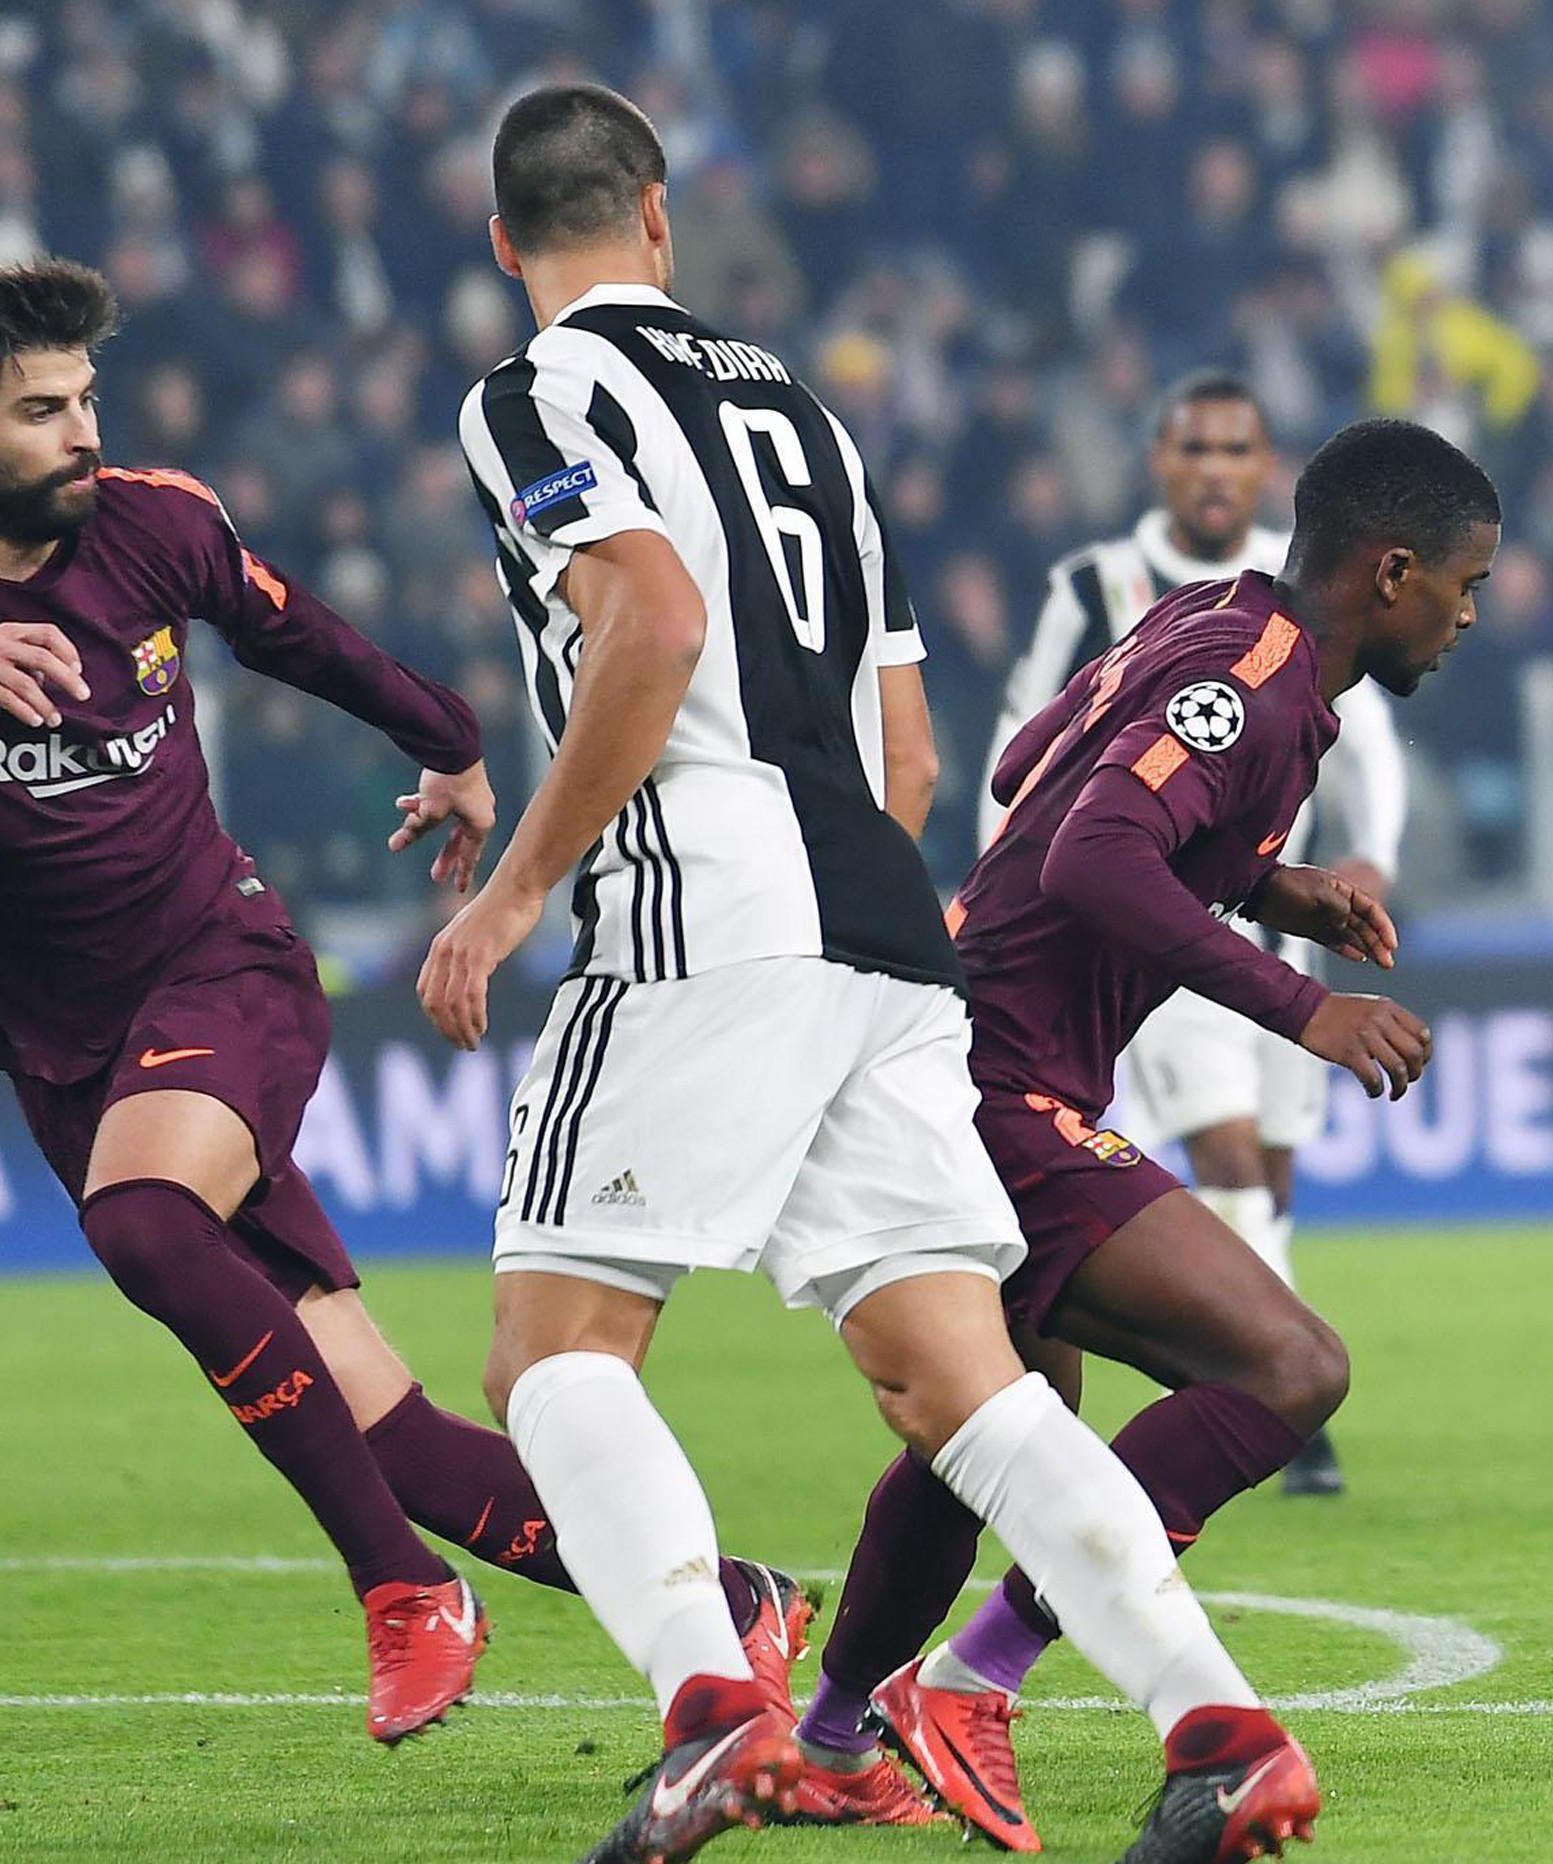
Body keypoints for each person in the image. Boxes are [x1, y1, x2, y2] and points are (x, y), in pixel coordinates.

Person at [426, 83, 1313, 1864]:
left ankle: (706, 1709)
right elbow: (907, 747)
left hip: (705, 887)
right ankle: (1218, 1728)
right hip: (886, 909)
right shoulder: (809, 415)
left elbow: (653, 627)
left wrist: (521, 884)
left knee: (554, 1348)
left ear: (508, 242)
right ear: (662, 218)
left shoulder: (532, 393)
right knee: (958, 1382)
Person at [0, 253, 604, 1745]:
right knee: (391, 1427)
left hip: (217, 964)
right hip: (59, 1047)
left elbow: (312, 640)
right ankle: (727, 1610)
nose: (84, 432)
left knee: (146, 1221)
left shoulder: (158, 525)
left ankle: (402, 1593)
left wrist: (454, 741)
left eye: (88, 398)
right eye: (43, 410)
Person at [794, 417, 1488, 1852]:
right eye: (1465, 585)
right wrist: (1306, 1007)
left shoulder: (1207, 615)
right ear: (1394, 570)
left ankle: (830, 1737)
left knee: (982, 1432)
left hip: (957, 1052)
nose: (1471, 616)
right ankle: (972, 1682)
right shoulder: (1261, 686)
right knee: (1290, 1366)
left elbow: (1031, 768)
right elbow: (1088, 849)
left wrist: (1270, 882)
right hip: (1002, 1084)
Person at [980, 370, 1410, 1499]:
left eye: (1237, 450)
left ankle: (877, 1678)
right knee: (1265, 1306)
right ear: (1162, 462)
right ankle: (1281, 1410)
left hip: (1175, 927)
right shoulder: (1120, 592)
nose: (1216, 469)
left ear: (1265, 469)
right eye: (1197, 449)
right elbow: (1054, 809)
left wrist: (1270, 880)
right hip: (1123, 952)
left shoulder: (1235, 603)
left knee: (1004, 1426)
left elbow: (1035, 757)